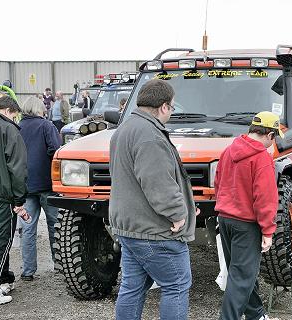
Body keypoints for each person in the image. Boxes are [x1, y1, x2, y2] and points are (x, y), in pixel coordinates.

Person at [110, 79, 197, 320]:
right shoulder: (151, 135)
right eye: (171, 108)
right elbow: (158, 184)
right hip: (154, 230)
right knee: (177, 285)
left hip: (130, 227)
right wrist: (179, 214)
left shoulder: (125, 130)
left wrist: (187, 206)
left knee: (132, 288)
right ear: (164, 107)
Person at [214, 111, 281, 320]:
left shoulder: (228, 151)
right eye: (275, 137)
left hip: (225, 218)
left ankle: (256, 315)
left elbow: (218, 183)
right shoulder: (261, 158)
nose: (274, 141)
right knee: (242, 277)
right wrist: (268, 231)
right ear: (269, 134)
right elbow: (266, 197)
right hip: (247, 224)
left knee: (241, 273)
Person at [19, 96, 61, 281]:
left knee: (27, 229)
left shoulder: (16, 127)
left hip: (25, 186)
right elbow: (57, 149)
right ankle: (59, 265)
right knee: (55, 225)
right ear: (39, 109)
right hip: (46, 184)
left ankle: (28, 272)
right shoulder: (46, 126)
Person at [0, 96, 28, 306]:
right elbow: (18, 169)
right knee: (0, 240)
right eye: (15, 115)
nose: (16, 119)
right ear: (8, 111)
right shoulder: (9, 129)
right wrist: (19, 199)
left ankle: (2, 280)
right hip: (2, 196)